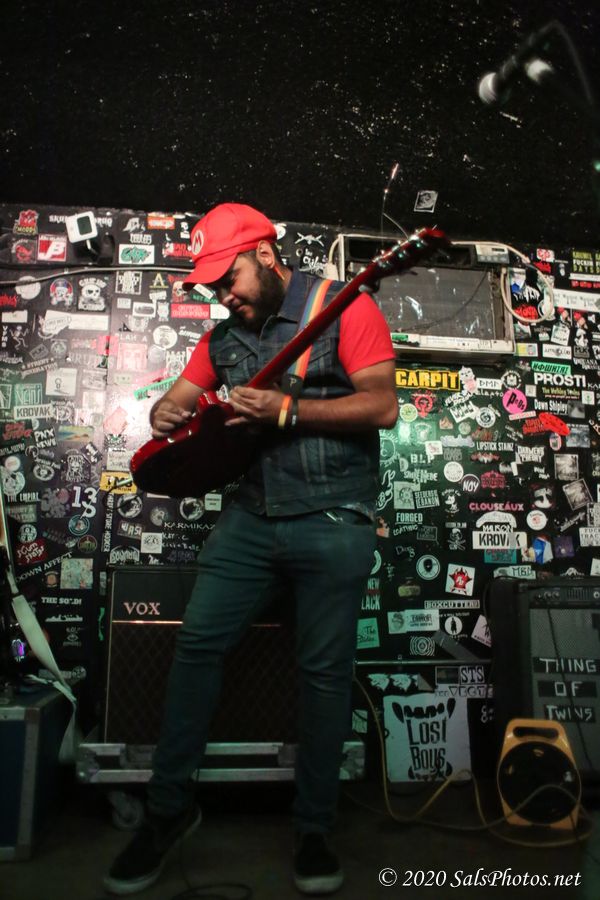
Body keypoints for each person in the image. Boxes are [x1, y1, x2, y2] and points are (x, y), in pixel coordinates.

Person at [103, 202, 397, 896]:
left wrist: (290, 410)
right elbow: (175, 401)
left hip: (333, 517)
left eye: (227, 277)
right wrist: (165, 412)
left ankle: (314, 829)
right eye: (210, 285)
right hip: (252, 519)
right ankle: (169, 812)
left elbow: (382, 406)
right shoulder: (222, 339)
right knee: (196, 646)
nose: (221, 293)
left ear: (265, 254)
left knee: (323, 675)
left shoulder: (343, 307)